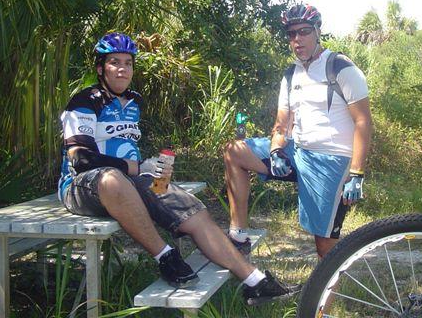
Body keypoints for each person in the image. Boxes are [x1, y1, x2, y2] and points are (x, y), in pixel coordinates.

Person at [58, 32, 300, 305]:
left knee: (190, 208)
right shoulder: (85, 101)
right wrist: (136, 167)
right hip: (84, 185)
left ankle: (256, 281)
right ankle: (166, 256)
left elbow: (125, 149)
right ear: (101, 68)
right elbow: (81, 158)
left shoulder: (133, 102)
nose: (123, 68)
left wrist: (156, 170)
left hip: (132, 180)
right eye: (115, 62)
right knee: (112, 178)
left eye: (128, 62)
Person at [223, 4, 373, 258]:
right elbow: (282, 123)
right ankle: (239, 236)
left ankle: (327, 298)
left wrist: (357, 173)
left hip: (332, 160)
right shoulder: (291, 74)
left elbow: (363, 122)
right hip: (298, 152)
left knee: (324, 246)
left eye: (303, 32)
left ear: (317, 31)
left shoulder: (341, 67)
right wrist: (276, 150)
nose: (297, 39)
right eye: (291, 34)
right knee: (234, 151)